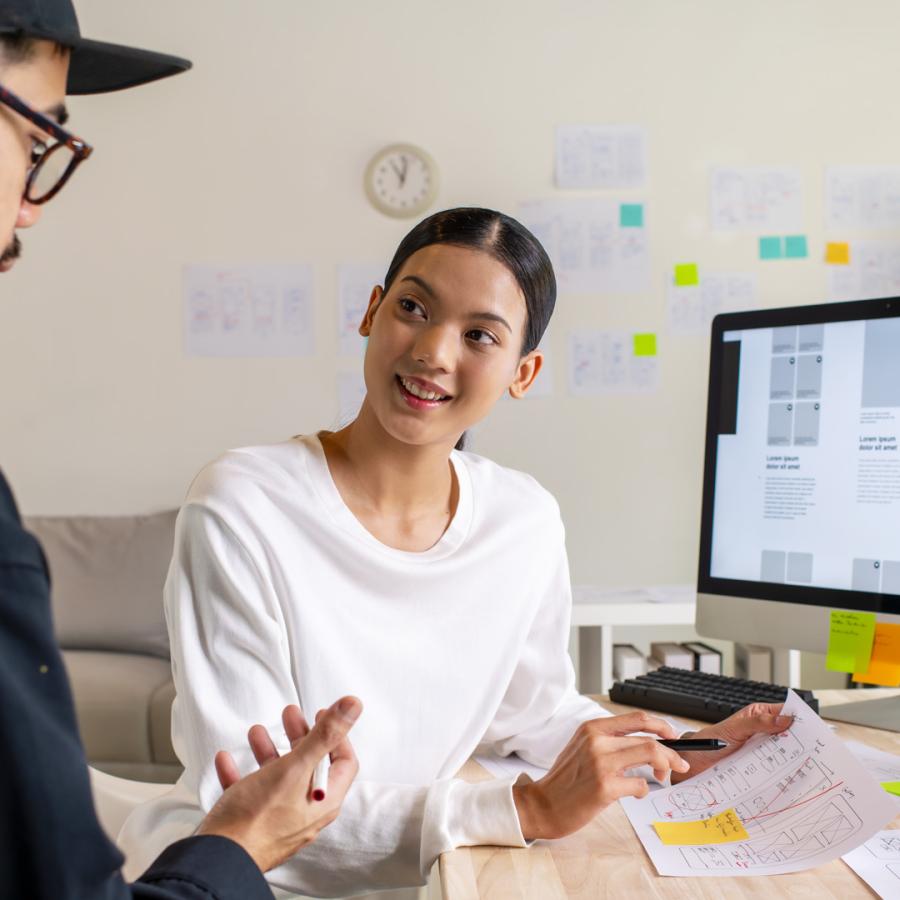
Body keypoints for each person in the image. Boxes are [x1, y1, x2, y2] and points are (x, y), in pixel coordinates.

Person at [120, 207, 794, 897]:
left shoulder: (523, 520)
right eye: (413, 307)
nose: (433, 352)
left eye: (479, 335)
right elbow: (252, 809)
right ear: (372, 312)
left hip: (431, 877)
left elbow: (533, 716)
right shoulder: (243, 504)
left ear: (523, 372)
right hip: (235, 885)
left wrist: (683, 756)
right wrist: (524, 809)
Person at [0, 2, 362, 897]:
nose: (29, 213)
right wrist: (236, 842)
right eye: (39, 136)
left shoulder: (523, 519)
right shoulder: (240, 495)